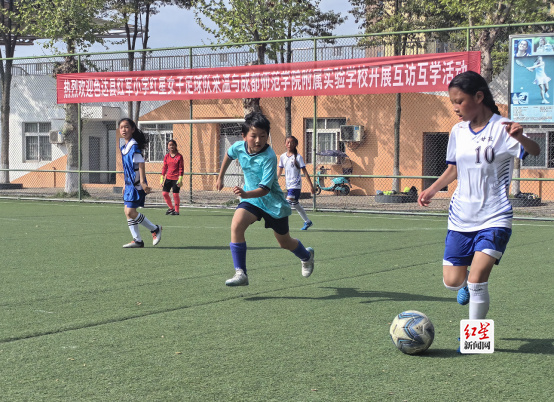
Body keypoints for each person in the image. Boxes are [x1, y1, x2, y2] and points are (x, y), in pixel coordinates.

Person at [417, 72, 539, 330]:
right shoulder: (458, 131)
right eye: (452, 101)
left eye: (459, 101)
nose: (455, 108)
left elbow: (534, 151)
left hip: (495, 216)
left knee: (477, 279)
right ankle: (466, 288)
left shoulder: (503, 128)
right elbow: (454, 168)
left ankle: (473, 337)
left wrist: (521, 137)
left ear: (479, 97)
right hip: (460, 217)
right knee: (452, 282)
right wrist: (432, 189)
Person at [216, 112, 315, 286]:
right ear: (244, 136)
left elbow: (264, 189)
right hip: (252, 201)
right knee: (236, 225)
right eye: (253, 136)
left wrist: (245, 194)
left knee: (284, 242)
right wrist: (220, 177)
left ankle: (306, 256)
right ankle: (241, 273)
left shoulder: (269, 157)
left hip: (272, 203)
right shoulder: (239, 147)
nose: (258, 140)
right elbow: (229, 154)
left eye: (263, 136)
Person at [119, 117, 162, 248]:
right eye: (121, 127)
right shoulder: (124, 147)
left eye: (126, 127)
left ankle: (155, 229)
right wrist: (124, 184)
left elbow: (141, 164)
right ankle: (137, 240)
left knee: (131, 212)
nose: (124, 129)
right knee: (127, 211)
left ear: (132, 129)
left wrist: (143, 182)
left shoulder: (134, 146)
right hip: (129, 184)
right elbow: (127, 168)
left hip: (136, 184)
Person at [277, 136, 316, 230]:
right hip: (288, 186)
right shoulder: (282, 157)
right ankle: (308, 222)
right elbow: (279, 171)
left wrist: (311, 186)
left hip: (296, 186)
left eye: (291, 142)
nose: (289, 144)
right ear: (285, 144)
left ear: (295, 144)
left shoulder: (298, 157)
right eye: (287, 142)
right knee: (296, 205)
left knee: (286, 204)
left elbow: (305, 172)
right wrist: (274, 181)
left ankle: (280, 224)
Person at [160, 139, 184, 215]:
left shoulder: (179, 156)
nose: (171, 146)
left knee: (175, 194)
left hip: (176, 179)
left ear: (175, 146)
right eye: (170, 145)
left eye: (173, 145)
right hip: (168, 178)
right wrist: (162, 177)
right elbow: (164, 167)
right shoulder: (167, 156)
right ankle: (171, 208)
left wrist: (180, 178)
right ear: (168, 147)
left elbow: (181, 168)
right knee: (164, 193)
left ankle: (177, 211)